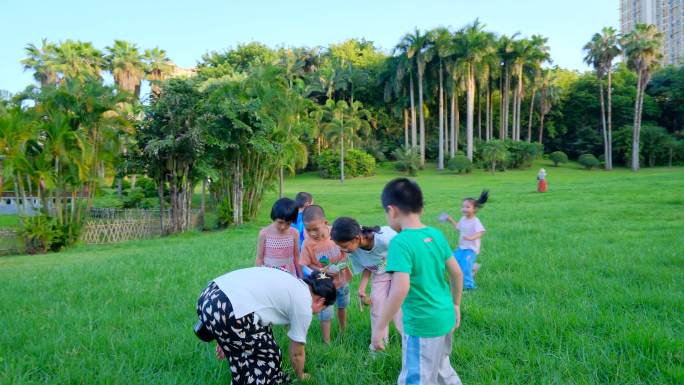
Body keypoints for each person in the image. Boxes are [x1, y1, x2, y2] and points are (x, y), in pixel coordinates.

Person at [372, 178, 464, 385]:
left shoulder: (400, 242)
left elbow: (400, 288)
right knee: (442, 369)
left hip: (422, 324)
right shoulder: (435, 234)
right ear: (420, 207)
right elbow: (457, 273)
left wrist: (380, 327)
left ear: (392, 210)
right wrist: (456, 304)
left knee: (416, 378)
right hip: (445, 316)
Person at [195, 267, 336, 385]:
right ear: (320, 301)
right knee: (269, 357)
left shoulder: (292, 281)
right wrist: (301, 376)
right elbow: (297, 353)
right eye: (322, 309)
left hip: (210, 295)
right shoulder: (304, 303)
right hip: (227, 309)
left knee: (265, 342)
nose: (317, 313)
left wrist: (226, 339)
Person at [330, 217, 403, 346]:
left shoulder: (385, 238)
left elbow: (408, 248)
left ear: (357, 238)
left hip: (401, 273)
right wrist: (361, 289)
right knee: (377, 310)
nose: (343, 250)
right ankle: (378, 346)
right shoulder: (353, 251)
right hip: (380, 276)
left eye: (344, 246)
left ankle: (411, 341)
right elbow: (367, 267)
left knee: (399, 310)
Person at [299, 205, 352, 344]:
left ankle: (343, 331)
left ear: (325, 223)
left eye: (315, 229)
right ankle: (327, 341)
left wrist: (340, 265)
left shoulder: (336, 235)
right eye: (308, 230)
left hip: (341, 279)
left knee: (342, 305)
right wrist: (321, 271)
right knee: (326, 312)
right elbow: (304, 265)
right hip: (324, 283)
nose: (312, 233)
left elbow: (345, 253)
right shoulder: (307, 244)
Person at [446, 190, 488, 290]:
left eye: (467, 207)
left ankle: (470, 287)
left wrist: (471, 238)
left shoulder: (475, 221)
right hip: (462, 247)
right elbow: (458, 227)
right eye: (463, 206)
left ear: (474, 209)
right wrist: (450, 219)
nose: (464, 209)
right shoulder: (463, 218)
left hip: (471, 249)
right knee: (453, 263)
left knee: (464, 268)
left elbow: (481, 232)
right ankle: (473, 267)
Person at [256, 198, 302, 277]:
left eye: (288, 223)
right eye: (280, 222)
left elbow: (297, 257)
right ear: (274, 217)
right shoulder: (264, 233)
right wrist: (259, 276)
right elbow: (259, 258)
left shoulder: (294, 233)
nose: (283, 227)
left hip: (289, 273)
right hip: (269, 273)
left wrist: (301, 276)